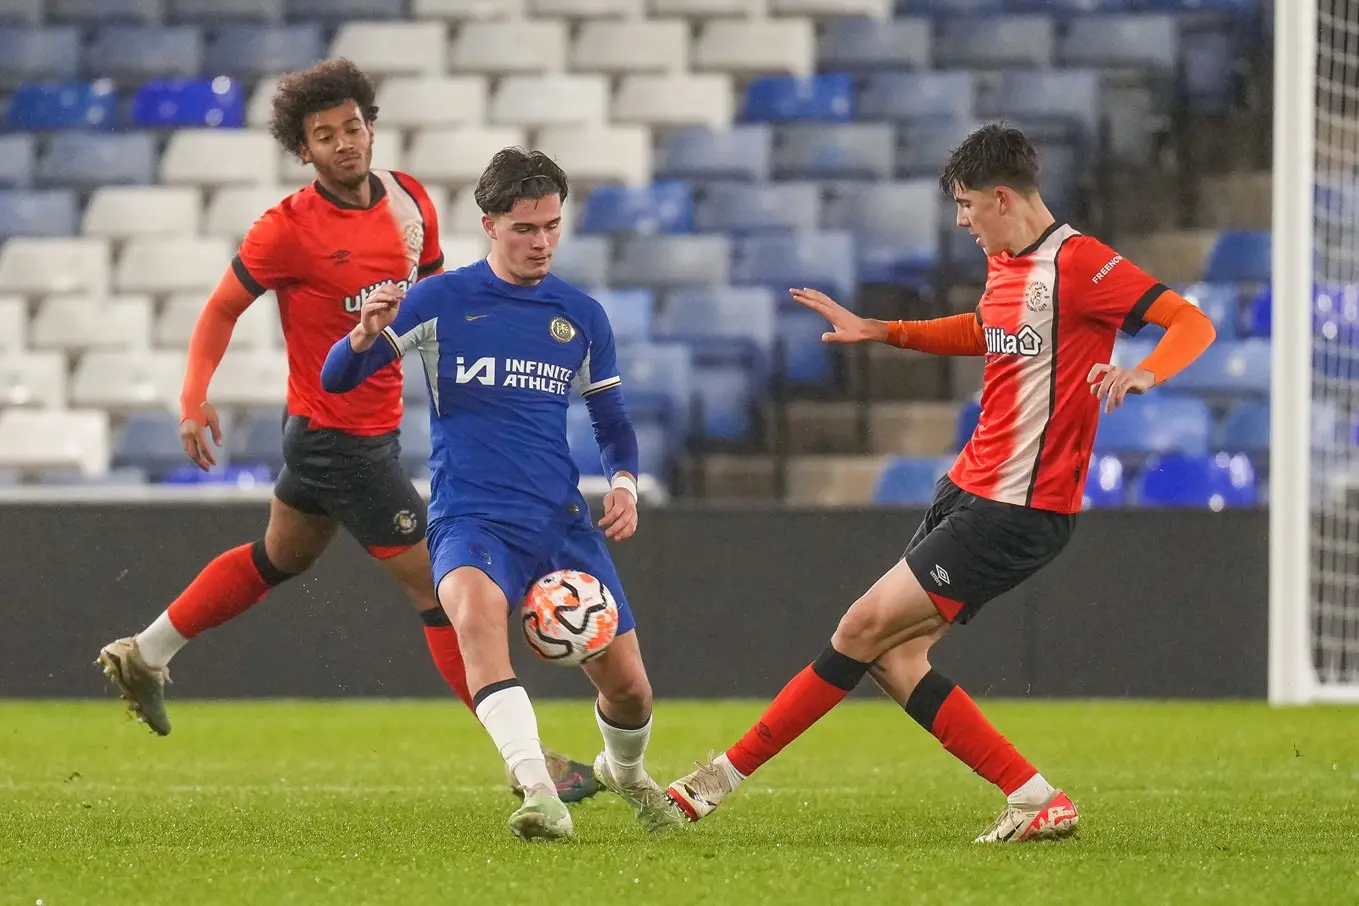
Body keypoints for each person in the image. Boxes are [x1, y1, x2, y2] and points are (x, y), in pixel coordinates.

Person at [665, 122, 1218, 843]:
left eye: (964, 205)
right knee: (893, 659)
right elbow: (987, 329)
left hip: (1018, 506)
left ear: (999, 197)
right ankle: (1034, 797)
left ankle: (717, 780)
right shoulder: (1005, 263)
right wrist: (884, 330)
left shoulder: (1078, 264)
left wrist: (1145, 371)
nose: (960, 221)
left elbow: (1190, 321)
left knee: (859, 627)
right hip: (969, 488)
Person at [94, 59, 596, 805]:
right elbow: (221, 309)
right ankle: (534, 767)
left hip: (358, 432)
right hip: (338, 439)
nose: (343, 143)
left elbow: (434, 300)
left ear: (370, 125)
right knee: (446, 594)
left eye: (352, 127)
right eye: (324, 135)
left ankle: (147, 651)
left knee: (276, 558)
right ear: (304, 150)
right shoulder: (287, 230)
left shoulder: (408, 201)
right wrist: (193, 396)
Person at [319, 146, 685, 842]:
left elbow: (613, 424)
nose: (541, 241)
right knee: (478, 628)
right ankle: (540, 794)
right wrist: (363, 334)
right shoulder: (439, 301)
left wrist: (625, 486)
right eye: (525, 229)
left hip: (559, 524)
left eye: (551, 226)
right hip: (470, 519)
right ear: (489, 225)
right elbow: (338, 381)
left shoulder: (579, 315)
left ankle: (625, 772)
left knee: (630, 690)